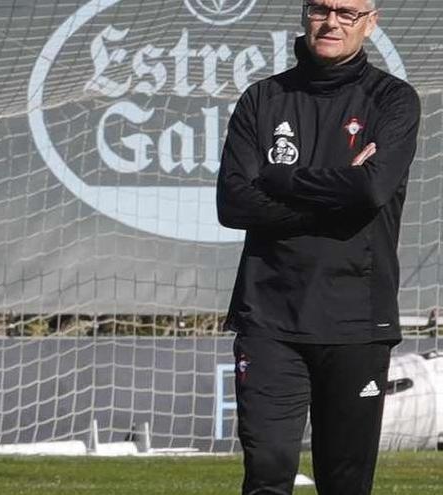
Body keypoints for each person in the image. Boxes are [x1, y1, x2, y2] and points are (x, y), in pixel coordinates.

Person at [216, 1, 419, 494]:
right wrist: (338, 193)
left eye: (347, 12)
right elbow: (234, 203)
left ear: (371, 22)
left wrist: (278, 178)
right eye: (321, 9)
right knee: (267, 470)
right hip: (269, 317)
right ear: (304, 14)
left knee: (345, 483)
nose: (332, 22)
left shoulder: (394, 101)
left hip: (356, 320)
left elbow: (371, 191)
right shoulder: (262, 99)